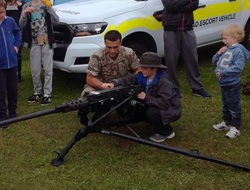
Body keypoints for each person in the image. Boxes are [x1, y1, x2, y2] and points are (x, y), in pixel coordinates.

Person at [106, 52, 182, 143]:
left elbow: (165, 103)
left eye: (145, 68)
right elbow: (128, 79)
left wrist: (146, 98)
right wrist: (114, 83)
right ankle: (154, 122)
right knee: (133, 104)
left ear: (154, 69)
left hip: (169, 109)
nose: (141, 70)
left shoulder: (164, 82)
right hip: (151, 103)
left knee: (152, 112)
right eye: (141, 67)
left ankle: (166, 132)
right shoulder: (142, 76)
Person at [161, 0, 211, 98]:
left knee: (192, 59)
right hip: (171, 27)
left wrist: (176, 6)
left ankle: (197, 87)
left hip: (188, 27)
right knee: (171, 60)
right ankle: (173, 87)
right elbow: (170, 6)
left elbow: (194, 5)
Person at [212, 24, 250, 138]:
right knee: (225, 104)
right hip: (224, 83)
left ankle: (235, 127)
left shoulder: (238, 51)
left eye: (225, 38)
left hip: (232, 84)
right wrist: (218, 53)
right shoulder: (227, 49)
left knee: (234, 106)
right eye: (223, 38)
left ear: (235, 37)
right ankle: (226, 122)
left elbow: (238, 67)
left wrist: (223, 73)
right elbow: (214, 62)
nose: (223, 41)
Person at [19, 0, 59, 105]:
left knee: (47, 69)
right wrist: (24, 13)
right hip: (33, 43)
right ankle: (37, 92)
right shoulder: (26, 6)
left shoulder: (46, 5)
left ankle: (47, 94)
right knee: (35, 70)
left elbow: (56, 21)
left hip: (46, 41)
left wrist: (49, 8)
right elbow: (21, 25)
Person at [81, 30, 139, 96]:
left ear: (120, 43)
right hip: (101, 86)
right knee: (87, 96)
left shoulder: (129, 53)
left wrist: (128, 82)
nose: (112, 51)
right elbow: (90, 79)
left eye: (115, 47)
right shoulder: (97, 56)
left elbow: (138, 70)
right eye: (109, 47)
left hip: (122, 85)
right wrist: (103, 85)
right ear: (105, 43)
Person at [0, 0, 22, 128]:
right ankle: (2, 116)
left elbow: (18, 32)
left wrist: (16, 46)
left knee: (13, 89)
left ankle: (13, 112)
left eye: (2, 12)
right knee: (0, 91)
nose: (0, 15)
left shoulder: (10, 21)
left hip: (12, 62)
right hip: (0, 66)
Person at [6, 0, 25, 82]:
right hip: (6, 33)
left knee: (17, 54)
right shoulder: (4, 4)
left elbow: (25, 15)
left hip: (17, 32)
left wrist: (19, 5)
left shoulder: (21, 4)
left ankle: (18, 75)